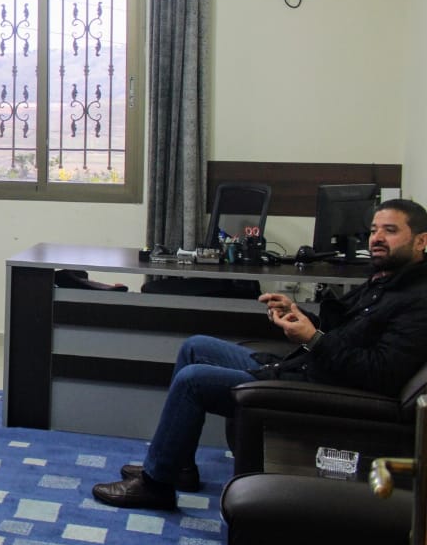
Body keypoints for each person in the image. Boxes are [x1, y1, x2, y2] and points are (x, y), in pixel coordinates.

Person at [93, 198, 427, 510]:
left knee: (193, 380)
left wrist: (313, 339)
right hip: (304, 367)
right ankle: (178, 465)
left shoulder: (417, 301)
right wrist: (299, 315)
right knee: (195, 346)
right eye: (374, 230)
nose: (376, 238)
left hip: (320, 389)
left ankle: (156, 486)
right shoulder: (384, 280)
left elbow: (379, 373)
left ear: (421, 241)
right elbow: (340, 333)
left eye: (390, 230)